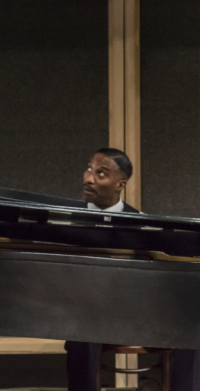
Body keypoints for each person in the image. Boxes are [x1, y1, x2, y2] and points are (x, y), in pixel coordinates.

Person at [66, 148, 200, 391]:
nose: (88, 178)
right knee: (79, 333)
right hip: (89, 314)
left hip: (138, 313)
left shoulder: (141, 222)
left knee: (192, 331)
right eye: (89, 169)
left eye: (101, 173)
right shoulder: (66, 219)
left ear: (120, 184)